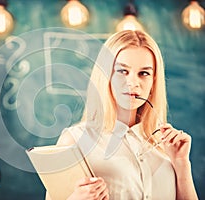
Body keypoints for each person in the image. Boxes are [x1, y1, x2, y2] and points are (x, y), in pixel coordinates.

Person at [46, 30, 198, 200]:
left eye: (144, 73)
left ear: (153, 82)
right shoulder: (74, 141)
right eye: (122, 71)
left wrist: (182, 164)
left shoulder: (167, 147)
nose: (133, 82)